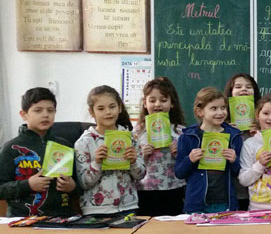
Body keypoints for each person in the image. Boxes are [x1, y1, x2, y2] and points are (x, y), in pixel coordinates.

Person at [0, 87, 79, 217]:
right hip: (23, 219)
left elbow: (80, 186)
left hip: (61, 218)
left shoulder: (65, 146)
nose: (45, 115)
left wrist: (72, 186)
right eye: (38, 110)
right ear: (23, 114)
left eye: (50, 110)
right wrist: (28, 185)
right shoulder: (11, 148)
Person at [74, 85, 143, 216]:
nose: (108, 112)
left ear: (120, 108)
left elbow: (140, 176)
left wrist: (133, 162)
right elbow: (84, 183)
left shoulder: (131, 138)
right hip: (96, 210)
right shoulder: (84, 143)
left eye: (112, 107)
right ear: (91, 112)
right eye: (101, 108)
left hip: (128, 206)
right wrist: (97, 163)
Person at [175, 87, 243, 213]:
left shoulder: (234, 136)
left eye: (223, 107)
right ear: (200, 111)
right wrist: (189, 159)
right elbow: (179, 173)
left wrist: (234, 160)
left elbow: (237, 173)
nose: (220, 112)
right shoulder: (188, 137)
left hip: (225, 202)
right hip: (196, 203)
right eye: (214, 108)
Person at [134, 77, 187, 216]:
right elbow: (131, 163)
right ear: (145, 103)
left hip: (175, 188)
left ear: (172, 103)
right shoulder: (137, 132)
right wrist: (142, 154)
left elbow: (188, 164)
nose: (157, 104)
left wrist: (179, 154)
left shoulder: (180, 131)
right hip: (146, 189)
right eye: (152, 100)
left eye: (163, 100)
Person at [225, 73, 260, 210]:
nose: (244, 89)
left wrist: (258, 135)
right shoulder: (222, 120)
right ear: (231, 92)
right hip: (231, 188)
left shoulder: (263, 118)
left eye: (249, 87)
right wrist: (227, 133)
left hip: (258, 189)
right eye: (238, 87)